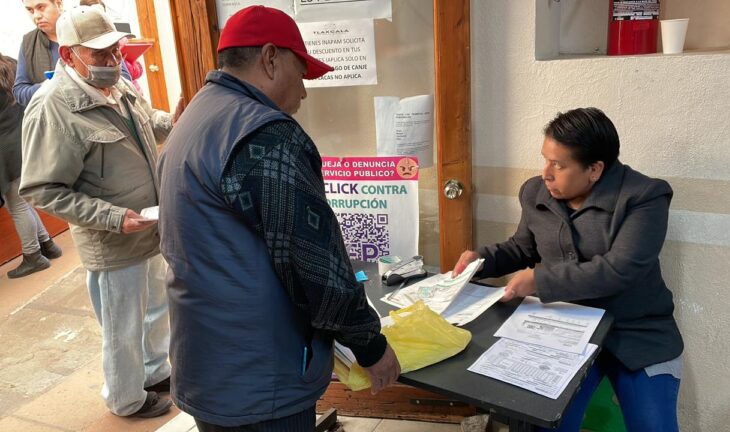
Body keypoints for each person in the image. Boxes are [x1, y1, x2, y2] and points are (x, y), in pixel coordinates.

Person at [157, 6, 401, 431]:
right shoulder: (266, 134)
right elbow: (316, 264)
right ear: (270, 59)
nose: (304, 93)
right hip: (260, 380)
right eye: (301, 72)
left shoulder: (194, 116)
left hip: (207, 363)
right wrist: (370, 346)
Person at [452, 108, 684, 432]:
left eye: (558, 165)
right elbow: (522, 248)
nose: (545, 173)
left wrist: (539, 280)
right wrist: (481, 260)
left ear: (594, 170)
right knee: (542, 422)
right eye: (545, 159)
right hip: (562, 327)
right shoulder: (536, 192)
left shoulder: (644, 197)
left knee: (652, 426)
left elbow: (619, 270)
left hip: (635, 331)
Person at [19, 6, 182, 418]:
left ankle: (153, 371)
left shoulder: (119, 86)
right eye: (99, 55)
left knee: (155, 309)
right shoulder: (53, 108)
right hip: (111, 237)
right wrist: (114, 218)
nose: (111, 62)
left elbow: (147, 123)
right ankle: (125, 398)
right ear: (69, 54)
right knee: (121, 325)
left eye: (115, 51)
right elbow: (42, 189)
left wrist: (177, 120)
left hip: (148, 225)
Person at [0, 52, 62, 278]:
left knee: (15, 204)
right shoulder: (10, 63)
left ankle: (33, 256)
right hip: (23, 139)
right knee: (23, 199)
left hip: (6, 149)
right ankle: (47, 244)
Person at [14, 0, 131, 106]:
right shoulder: (28, 43)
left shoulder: (89, 29)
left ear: (59, 3)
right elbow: (19, 91)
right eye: (30, 10)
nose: (36, 16)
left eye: (41, 7)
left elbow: (124, 78)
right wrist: (50, 87)